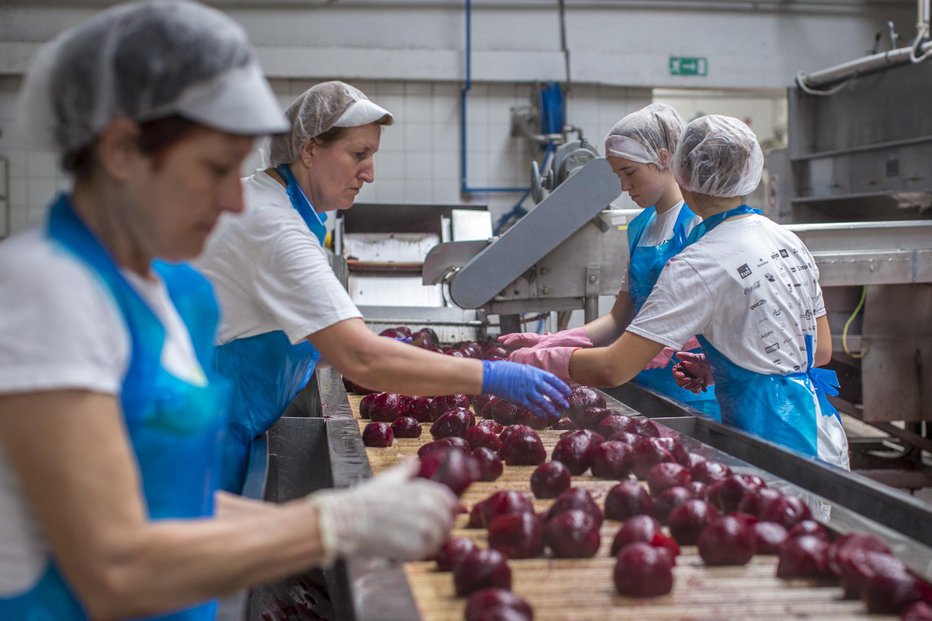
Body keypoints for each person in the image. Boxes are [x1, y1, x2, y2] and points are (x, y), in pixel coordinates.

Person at [0, 3, 458, 619]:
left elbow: (175, 502)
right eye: (215, 169)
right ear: (120, 151)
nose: (232, 198)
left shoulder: (163, 296)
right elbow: (114, 563)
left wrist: (312, 523)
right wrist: (330, 524)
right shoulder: (45, 291)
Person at [195, 80, 571, 493]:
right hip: (198, 443)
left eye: (372, 156)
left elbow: (305, 338)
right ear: (309, 149)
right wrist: (492, 376)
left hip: (212, 428)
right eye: (358, 154)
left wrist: (405, 361)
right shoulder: (275, 227)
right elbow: (361, 359)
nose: (370, 173)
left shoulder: (265, 202)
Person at [510, 115, 848, 469]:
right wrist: (723, 366)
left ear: (679, 171)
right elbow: (820, 350)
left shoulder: (698, 260)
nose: (624, 185)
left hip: (770, 439)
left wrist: (533, 362)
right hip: (822, 433)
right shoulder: (785, 238)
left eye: (628, 172)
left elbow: (614, 368)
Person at [499, 103, 720, 419]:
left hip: (694, 392)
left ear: (663, 157)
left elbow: (696, 328)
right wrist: (551, 341)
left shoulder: (697, 224)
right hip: (643, 387)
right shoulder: (640, 227)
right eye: (618, 175)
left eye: (630, 173)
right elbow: (619, 318)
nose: (623, 186)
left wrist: (560, 358)